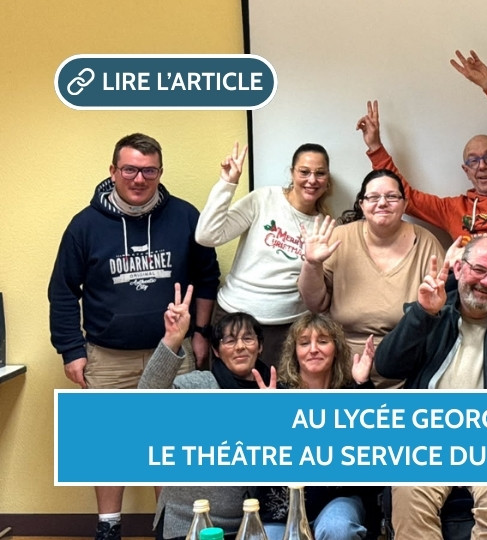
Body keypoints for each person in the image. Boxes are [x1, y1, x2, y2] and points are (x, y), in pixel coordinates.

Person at [47, 133, 220, 540]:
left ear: (160, 172)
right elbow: (62, 291)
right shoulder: (85, 225)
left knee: (171, 444)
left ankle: (170, 527)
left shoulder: (184, 216)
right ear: (113, 171)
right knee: (109, 444)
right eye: (130, 169)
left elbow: (208, 276)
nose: (139, 178)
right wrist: (72, 350)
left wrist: (200, 332)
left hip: (173, 351)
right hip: (108, 355)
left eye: (149, 170)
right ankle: (109, 526)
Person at [375, 236, 487, 539]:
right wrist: (422, 314)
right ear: (458, 267)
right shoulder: (433, 310)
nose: (486, 281)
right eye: (479, 270)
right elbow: (387, 366)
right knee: (409, 491)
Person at [358, 49, 487, 317]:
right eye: (473, 161)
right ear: (466, 171)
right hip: (476, 316)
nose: (482, 165)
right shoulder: (456, 209)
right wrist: (376, 148)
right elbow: (407, 198)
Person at [138, 284, 273, 539]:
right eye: (230, 340)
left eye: (248, 338)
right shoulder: (199, 385)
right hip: (187, 522)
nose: (240, 346)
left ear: (260, 346)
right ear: (216, 350)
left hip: (250, 525)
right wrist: (173, 339)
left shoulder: (274, 391)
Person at [298, 169, 444, 387]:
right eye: (373, 197)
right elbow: (314, 304)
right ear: (362, 204)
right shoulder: (340, 237)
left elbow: (439, 317)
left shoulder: (426, 243)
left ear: (404, 204)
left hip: (407, 375)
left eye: (392, 197)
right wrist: (312, 264)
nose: (382, 203)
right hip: (341, 376)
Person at [195, 142, 331, 366]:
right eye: (304, 172)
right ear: (292, 173)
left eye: (320, 173)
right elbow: (207, 236)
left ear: (327, 179)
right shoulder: (263, 199)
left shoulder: (324, 227)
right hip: (233, 319)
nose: (312, 180)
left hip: (287, 328)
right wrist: (227, 183)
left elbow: (317, 291)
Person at [255, 313, 380, 540]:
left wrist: (362, 386)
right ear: (295, 352)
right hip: (281, 509)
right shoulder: (274, 395)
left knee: (337, 529)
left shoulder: (351, 393)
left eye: (322, 341)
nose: (313, 349)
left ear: (336, 349)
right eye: (304, 343)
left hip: (337, 500)